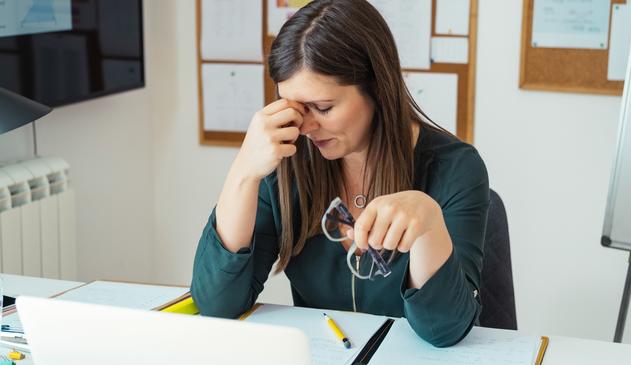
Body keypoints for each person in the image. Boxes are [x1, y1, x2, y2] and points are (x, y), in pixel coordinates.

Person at [191, 0, 489, 347]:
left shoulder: (455, 168)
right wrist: (243, 172)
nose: (306, 126)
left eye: (323, 107)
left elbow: (445, 330)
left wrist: (429, 224)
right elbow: (216, 304)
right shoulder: (286, 160)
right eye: (294, 107)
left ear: (377, 88)